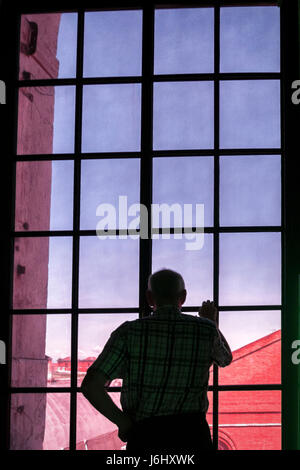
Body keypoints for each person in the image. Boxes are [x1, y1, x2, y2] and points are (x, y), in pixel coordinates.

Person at [81, 268, 232, 452]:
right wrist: (212, 322)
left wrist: (123, 422)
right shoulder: (205, 330)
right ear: (183, 297)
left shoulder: (129, 332)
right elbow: (225, 359)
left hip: (146, 436)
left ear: (149, 298)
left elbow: (91, 385)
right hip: (193, 436)